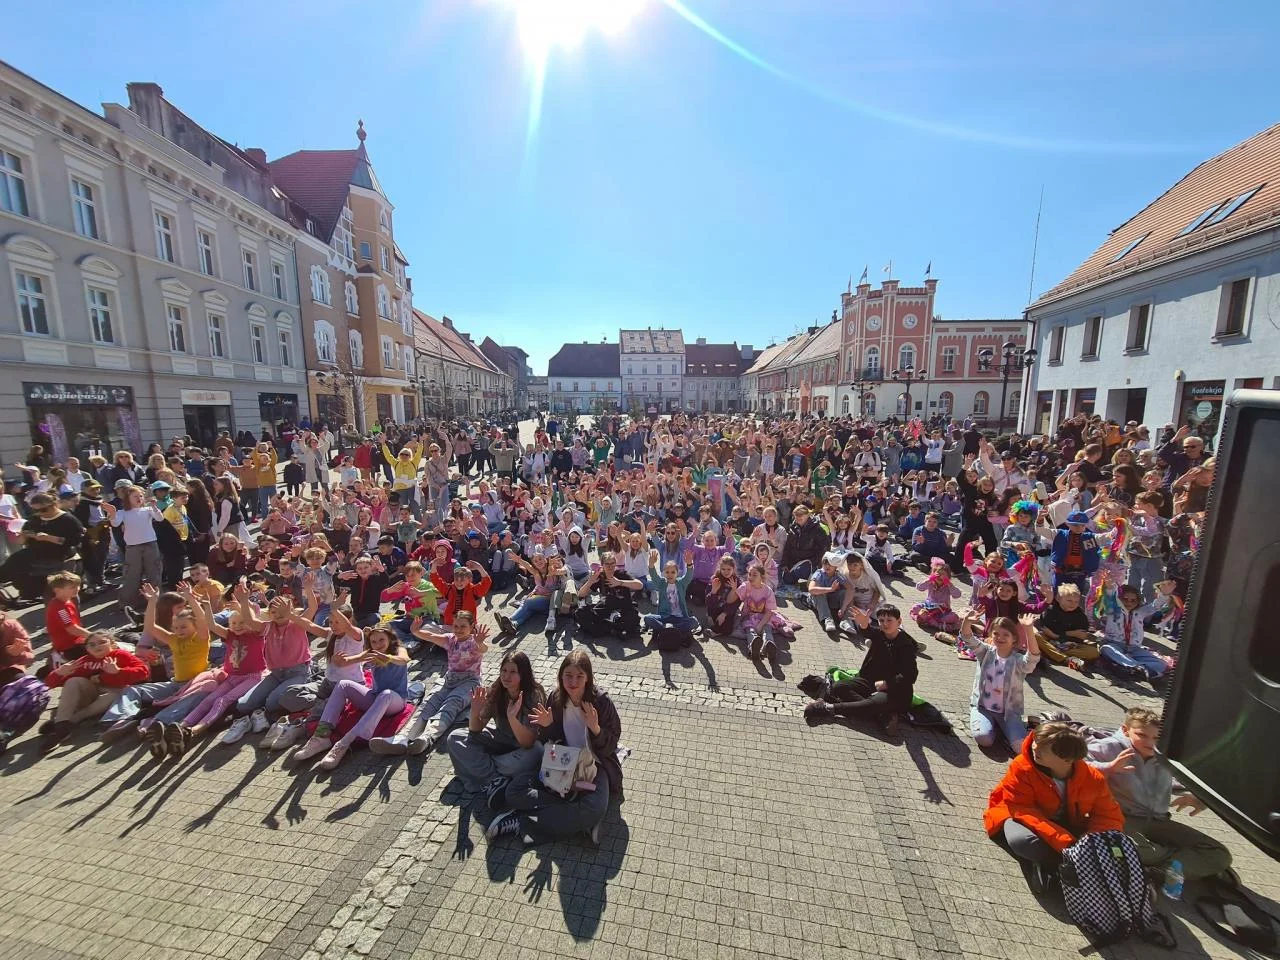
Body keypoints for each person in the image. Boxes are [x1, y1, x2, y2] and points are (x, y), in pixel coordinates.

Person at [487, 649, 621, 846]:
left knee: (594, 809)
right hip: (563, 762)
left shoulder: (601, 702)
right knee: (514, 790)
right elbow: (550, 742)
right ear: (561, 676)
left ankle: (523, 821)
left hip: (594, 767)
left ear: (588, 678)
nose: (573, 682)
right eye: (568, 675)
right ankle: (577, 820)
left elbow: (611, 745)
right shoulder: (556, 698)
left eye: (579, 676)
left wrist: (596, 729)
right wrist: (548, 726)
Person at [1087, 706, 1233, 883]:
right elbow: (1076, 764)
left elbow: (1206, 776)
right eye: (1142, 735)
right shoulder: (1110, 747)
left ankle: (1160, 871)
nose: (1151, 742)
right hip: (1122, 818)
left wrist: (1200, 799)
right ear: (1125, 730)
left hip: (1158, 821)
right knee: (1127, 850)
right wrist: (1108, 768)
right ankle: (1182, 862)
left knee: (1219, 853)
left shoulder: (1168, 753)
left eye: (1157, 738)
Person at [984, 721, 1125, 895]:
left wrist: (1089, 842)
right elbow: (1022, 810)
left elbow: (1109, 816)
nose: (1035, 748)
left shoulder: (1091, 778)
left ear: (1067, 760)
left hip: (1063, 825)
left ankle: (1063, 869)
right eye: (1036, 741)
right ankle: (1054, 866)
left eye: (1043, 748)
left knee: (1107, 845)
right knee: (1023, 841)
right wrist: (1067, 843)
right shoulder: (1022, 767)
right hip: (1020, 817)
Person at [368, 611, 491, 756]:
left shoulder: (474, 641)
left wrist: (480, 642)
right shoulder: (450, 639)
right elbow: (430, 636)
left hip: (470, 682)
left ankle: (426, 738)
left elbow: (484, 649)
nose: (458, 630)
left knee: (450, 705)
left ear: (472, 626)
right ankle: (402, 738)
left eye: (463, 626)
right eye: (456, 626)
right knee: (427, 705)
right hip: (449, 680)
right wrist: (415, 631)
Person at [291, 625, 411, 770]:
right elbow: (348, 661)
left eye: (381, 640)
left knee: (386, 694)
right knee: (343, 684)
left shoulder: (399, 650)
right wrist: (338, 660)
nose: (378, 644)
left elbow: (404, 660)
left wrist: (387, 657)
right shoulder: (371, 653)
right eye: (373, 642)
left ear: (390, 639)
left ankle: (344, 743)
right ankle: (321, 736)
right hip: (375, 697)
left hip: (396, 700)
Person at [801, 604, 918, 736]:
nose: (885, 624)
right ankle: (881, 715)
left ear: (899, 621)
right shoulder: (881, 634)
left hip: (895, 691)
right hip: (870, 682)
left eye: (889, 620)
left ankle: (827, 708)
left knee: (873, 703)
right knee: (839, 687)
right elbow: (868, 632)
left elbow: (911, 675)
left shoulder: (906, 645)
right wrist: (863, 624)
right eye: (881, 620)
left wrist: (887, 684)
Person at [445, 650, 545, 797]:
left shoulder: (534, 695)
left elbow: (527, 743)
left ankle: (481, 768)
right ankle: (495, 778)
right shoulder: (497, 690)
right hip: (500, 741)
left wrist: (512, 718)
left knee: (536, 752)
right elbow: (475, 730)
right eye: (504, 670)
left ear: (523, 674)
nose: (506, 676)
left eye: (513, 672)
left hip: (521, 750)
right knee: (455, 737)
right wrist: (475, 710)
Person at [38, 631, 150, 749]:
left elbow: (144, 672)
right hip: (92, 695)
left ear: (112, 644)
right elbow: (48, 685)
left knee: (115, 694)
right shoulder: (85, 661)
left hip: (115, 696)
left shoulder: (121, 655)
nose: (97, 646)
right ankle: (61, 723)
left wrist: (118, 671)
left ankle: (69, 722)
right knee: (73, 681)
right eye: (92, 644)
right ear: (87, 649)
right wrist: (58, 673)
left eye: (102, 642)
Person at [959, 611, 1041, 749]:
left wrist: (1028, 630)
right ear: (991, 635)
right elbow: (967, 638)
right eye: (996, 633)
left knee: (1021, 748)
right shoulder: (985, 652)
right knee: (984, 739)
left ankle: (1009, 728)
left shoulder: (1018, 661)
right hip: (983, 708)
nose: (1000, 638)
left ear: (1014, 638)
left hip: (1009, 713)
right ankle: (989, 724)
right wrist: (967, 622)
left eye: (1005, 635)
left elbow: (1033, 657)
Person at [1033, 584, 1098, 668]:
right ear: (1058, 599)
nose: (1073, 604)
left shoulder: (1080, 615)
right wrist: (1070, 633)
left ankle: (1050, 653)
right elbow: (1047, 630)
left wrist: (1058, 636)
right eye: (1069, 600)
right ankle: (1065, 659)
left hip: (1068, 644)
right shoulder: (1050, 610)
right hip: (1050, 640)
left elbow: (1080, 636)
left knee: (1094, 652)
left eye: (1076, 602)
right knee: (1035, 637)